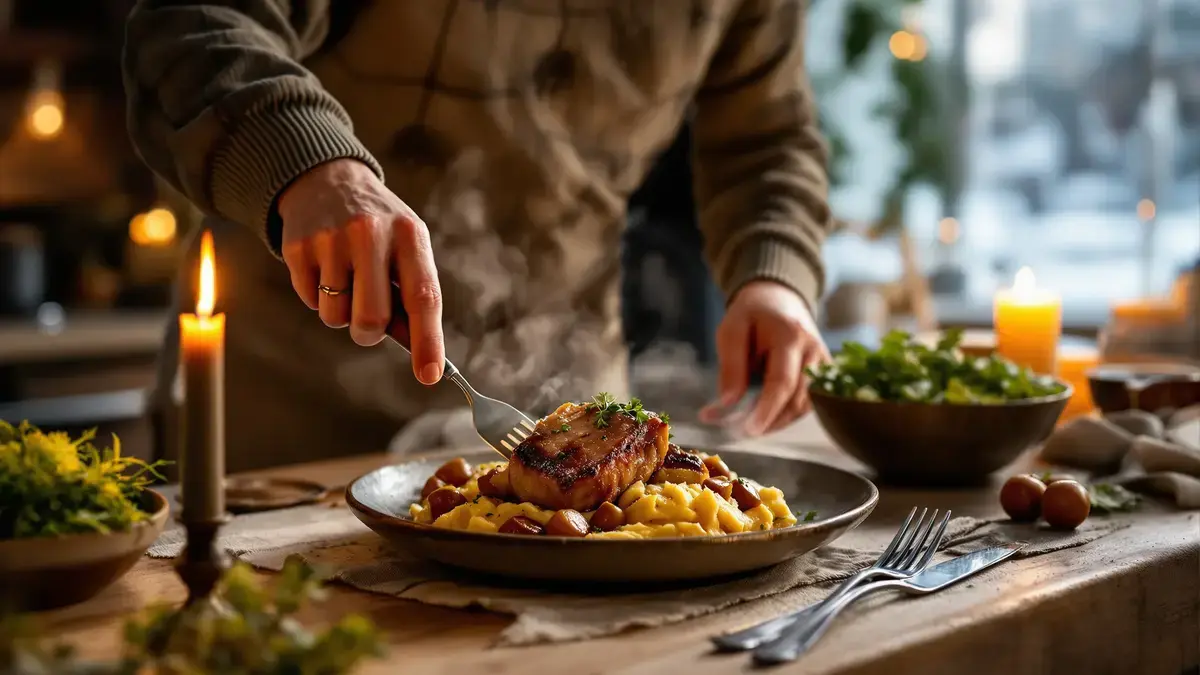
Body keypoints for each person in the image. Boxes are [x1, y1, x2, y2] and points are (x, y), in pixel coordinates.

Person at [123, 0, 833, 473]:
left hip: (570, 416)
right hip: (290, 415)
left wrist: (775, 276)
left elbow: (768, 141)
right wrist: (306, 161)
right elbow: (193, 22)